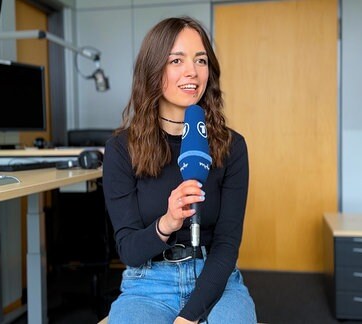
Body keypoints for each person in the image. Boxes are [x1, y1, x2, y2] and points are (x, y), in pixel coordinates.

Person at [103, 16, 257, 324]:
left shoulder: (232, 146)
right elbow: (130, 251)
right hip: (147, 285)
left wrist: (188, 317)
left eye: (201, 60)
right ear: (154, 69)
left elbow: (226, 246)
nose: (192, 71)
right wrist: (167, 222)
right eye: (177, 60)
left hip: (216, 280)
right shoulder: (122, 149)